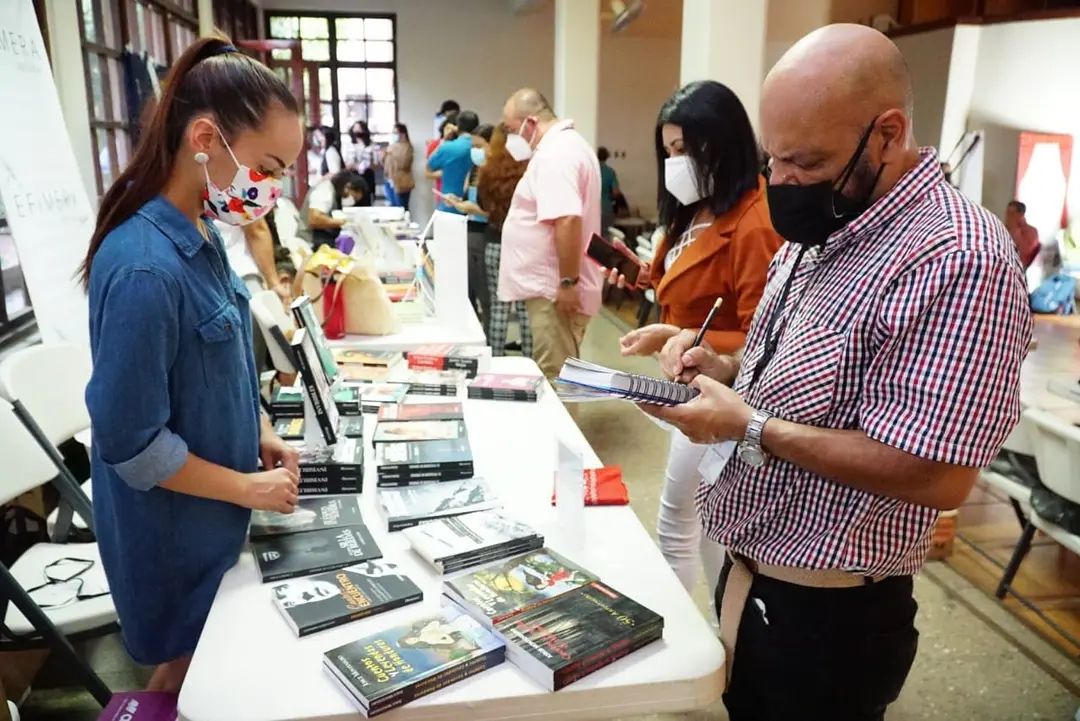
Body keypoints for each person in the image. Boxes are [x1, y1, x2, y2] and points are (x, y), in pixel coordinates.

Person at [644, 25, 1030, 720]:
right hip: (751, 567)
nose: (783, 181)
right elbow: (793, 364)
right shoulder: (826, 224)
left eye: (806, 160)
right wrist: (724, 366)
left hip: (831, 610)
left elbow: (937, 472)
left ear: (886, 135)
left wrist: (751, 425)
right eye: (774, 158)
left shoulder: (958, 259)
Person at [80, 37, 304, 692]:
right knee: (188, 678)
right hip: (175, 537)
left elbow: (223, 362)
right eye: (266, 166)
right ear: (204, 138)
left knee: (208, 671)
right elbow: (134, 445)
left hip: (215, 521)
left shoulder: (200, 233)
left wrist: (259, 430)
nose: (269, 189)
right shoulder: (145, 268)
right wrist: (245, 487)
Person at [610, 80, 783, 630]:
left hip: (720, 393)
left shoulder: (754, 223)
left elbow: (764, 335)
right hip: (684, 383)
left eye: (684, 150)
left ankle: (688, 638)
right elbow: (678, 281)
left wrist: (683, 335)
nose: (674, 163)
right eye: (668, 152)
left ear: (722, 143)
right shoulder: (696, 206)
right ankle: (714, 632)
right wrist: (643, 281)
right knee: (704, 523)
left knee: (683, 522)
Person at [499, 88, 603, 381]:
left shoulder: (556, 153)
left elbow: (567, 219)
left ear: (529, 123)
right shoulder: (565, 147)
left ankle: (563, 429)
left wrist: (567, 282)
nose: (510, 138)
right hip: (552, 286)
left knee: (557, 376)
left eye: (511, 129)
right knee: (559, 371)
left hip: (554, 290)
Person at [454, 126, 534, 358]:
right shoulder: (528, 173)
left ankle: (496, 358)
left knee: (498, 307)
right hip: (523, 245)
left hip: (494, 242)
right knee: (523, 310)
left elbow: (484, 205)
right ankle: (529, 361)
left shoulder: (487, 173)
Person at [446, 123, 494, 335]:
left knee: (486, 293)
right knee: (468, 289)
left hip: (487, 235)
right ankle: (472, 333)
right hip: (469, 230)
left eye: (479, 145)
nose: (475, 151)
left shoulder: (496, 174)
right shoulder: (473, 170)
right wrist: (457, 202)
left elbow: (496, 211)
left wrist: (475, 208)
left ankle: (489, 336)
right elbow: (468, 198)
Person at [296, 169, 369, 250]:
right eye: (354, 197)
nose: (353, 201)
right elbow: (314, 219)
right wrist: (344, 222)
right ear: (347, 187)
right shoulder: (325, 191)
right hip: (309, 241)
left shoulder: (333, 192)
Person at [428, 109, 478, 212]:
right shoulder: (482, 148)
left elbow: (428, 167)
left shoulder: (448, 147)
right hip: (474, 208)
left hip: (449, 206)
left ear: (457, 127)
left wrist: (445, 139)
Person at [383, 122, 415, 210]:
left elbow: (405, 164)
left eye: (396, 132)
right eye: (393, 132)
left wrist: (392, 155)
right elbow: (385, 164)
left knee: (401, 208)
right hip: (389, 181)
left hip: (401, 183)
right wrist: (383, 156)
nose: (394, 135)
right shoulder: (391, 146)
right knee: (392, 209)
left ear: (403, 134)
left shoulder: (407, 147)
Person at [346, 120, 377, 206]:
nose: (357, 132)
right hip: (353, 177)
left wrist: (368, 165)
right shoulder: (349, 145)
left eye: (359, 129)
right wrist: (354, 166)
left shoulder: (371, 145)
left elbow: (376, 165)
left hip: (367, 177)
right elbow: (346, 165)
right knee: (353, 202)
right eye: (355, 129)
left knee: (366, 201)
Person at [1005, 199, 1040, 269]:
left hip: (1017, 269)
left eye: (1011, 213)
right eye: (1007, 213)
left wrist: (1012, 229)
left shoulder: (1031, 232)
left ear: (1021, 215)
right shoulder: (1006, 228)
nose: (1007, 216)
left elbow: (1019, 255)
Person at [597, 146, 622, 235]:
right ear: (607, 157)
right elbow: (616, 192)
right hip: (606, 208)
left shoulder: (592, 170)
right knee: (607, 236)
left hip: (592, 208)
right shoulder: (610, 172)